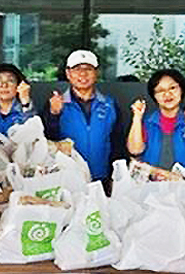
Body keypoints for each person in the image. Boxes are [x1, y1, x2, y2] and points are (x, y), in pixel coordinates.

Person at [43, 50, 125, 184]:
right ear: (68, 73)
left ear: (96, 73)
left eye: (88, 69)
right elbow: (48, 141)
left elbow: (118, 143)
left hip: (102, 178)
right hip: (67, 178)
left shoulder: (110, 105)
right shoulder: (55, 103)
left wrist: (115, 177)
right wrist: (54, 114)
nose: (83, 74)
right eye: (77, 69)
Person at [127, 69, 185, 176]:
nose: (167, 94)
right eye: (160, 90)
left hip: (184, 183)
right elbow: (135, 150)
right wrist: (137, 117)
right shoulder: (147, 122)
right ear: (154, 96)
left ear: (181, 90)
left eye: (172, 88)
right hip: (150, 183)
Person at [0, 63, 36, 139]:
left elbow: (33, 134)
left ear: (18, 86)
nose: (4, 85)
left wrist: (25, 102)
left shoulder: (27, 111)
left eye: (10, 81)